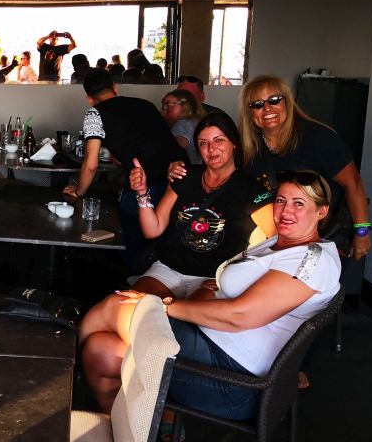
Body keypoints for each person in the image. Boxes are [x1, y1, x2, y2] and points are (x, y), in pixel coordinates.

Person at [79, 170, 341, 424]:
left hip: (232, 382)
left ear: (322, 211)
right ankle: (128, 433)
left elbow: (239, 315)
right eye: (281, 200)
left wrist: (166, 307)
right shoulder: (279, 243)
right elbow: (233, 287)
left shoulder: (313, 260)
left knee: (118, 305)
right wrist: (209, 291)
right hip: (208, 347)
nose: (285, 210)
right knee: (100, 350)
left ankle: (63, 372)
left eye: (299, 203)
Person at [171, 74, 371, 260]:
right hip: (272, 239)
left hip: (322, 237)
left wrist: (362, 231)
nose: (267, 109)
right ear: (250, 113)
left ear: (287, 102)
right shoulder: (247, 146)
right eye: (257, 104)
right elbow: (219, 170)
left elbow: (353, 184)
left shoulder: (318, 138)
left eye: (274, 100)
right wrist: (179, 168)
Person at [126, 113, 275, 302]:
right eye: (203, 143)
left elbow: (276, 241)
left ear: (234, 143)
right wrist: (141, 192)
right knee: (131, 307)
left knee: (182, 317)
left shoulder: (252, 190)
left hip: (213, 277)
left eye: (219, 140)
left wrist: (239, 277)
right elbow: (152, 230)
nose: (211, 149)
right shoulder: (184, 176)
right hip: (169, 268)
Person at [64, 69, 186, 269]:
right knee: (168, 240)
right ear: (114, 87)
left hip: (143, 183)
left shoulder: (94, 113)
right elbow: (152, 140)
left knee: (131, 241)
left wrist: (78, 192)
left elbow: (91, 164)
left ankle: (133, 278)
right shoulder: (145, 104)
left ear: (89, 99)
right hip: (179, 178)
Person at [161, 89, 208, 164]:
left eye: (167, 106)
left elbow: (174, 153)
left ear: (185, 106)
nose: (163, 113)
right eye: (163, 107)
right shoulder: (196, 122)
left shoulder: (183, 124)